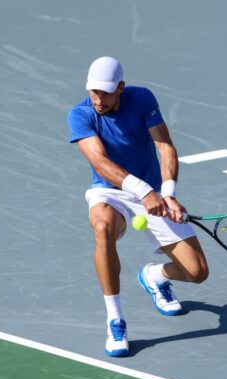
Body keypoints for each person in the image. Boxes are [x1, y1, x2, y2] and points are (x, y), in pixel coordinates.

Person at [67, 56, 209, 358]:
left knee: (197, 272)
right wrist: (143, 191)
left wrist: (168, 193)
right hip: (110, 191)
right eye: (93, 91)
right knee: (103, 227)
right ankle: (115, 319)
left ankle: (155, 277)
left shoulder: (142, 98)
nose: (98, 99)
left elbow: (164, 145)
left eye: (104, 92)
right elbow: (101, 164)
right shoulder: (80, 115)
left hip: (154, 192)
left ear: (121, 87)